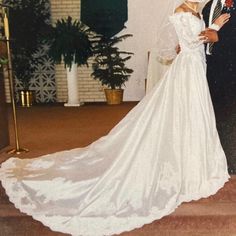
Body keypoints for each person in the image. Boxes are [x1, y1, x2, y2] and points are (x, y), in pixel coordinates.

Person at [0, 1, 230, 235]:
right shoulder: (180, 10)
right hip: (187, 70)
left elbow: (189, 44)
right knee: (183, 111)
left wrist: (206, 30)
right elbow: (186, 44)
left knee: (193, 114)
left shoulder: (197, 10)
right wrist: (214, 29)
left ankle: (191, 159)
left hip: (197, 68)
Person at [202, 0, 236, 173]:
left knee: (229, 115)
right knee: (213, 112)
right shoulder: (208, 6)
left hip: (230, 67)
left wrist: (218, 37)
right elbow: (203, 33)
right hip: (210, 66)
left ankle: (231, 162)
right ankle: (216, 157)